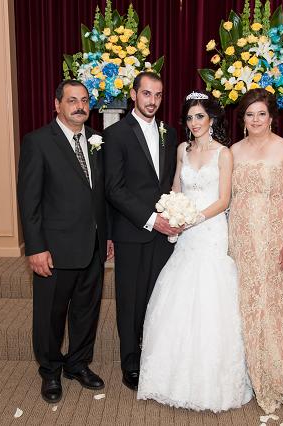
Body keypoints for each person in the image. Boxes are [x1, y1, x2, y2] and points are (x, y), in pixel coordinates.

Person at [136, 91, 252, 412]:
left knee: (210, 297)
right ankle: (171, 378)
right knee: (179, 295)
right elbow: (176, 188)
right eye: (189, 117)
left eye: (200, 116)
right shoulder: (182, 150)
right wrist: (173, 213)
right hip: (186, 233)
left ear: (211, 118)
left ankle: (212, 381)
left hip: (210, 231)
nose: (194, 123)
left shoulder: (224, 153)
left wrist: (194, 219)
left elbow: (224, 199)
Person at [17, 80, 113, 404]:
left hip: (93, 245)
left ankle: (78, 364)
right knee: (50, 316)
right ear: (56, 104)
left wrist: (107, 234)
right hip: (54, 249)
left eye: (84, 100)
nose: (79, 106)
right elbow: (29, 201)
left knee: (87, 311)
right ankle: (50, 371)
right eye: (72, 100)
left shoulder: (97, 140)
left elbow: (101, 195)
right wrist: (35, 247)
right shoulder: (38, 142)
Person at [228, 88, 283, 414]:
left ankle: (278, 375)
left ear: (271, 117)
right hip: (240, 241)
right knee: (245, 304)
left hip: (274, 241)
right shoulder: (233, 151)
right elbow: (226, 198)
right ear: (243, 119)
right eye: (250, 114)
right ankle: (249, 371)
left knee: (271, 305)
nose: (256, 120)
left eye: (262, 114)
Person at [103, 71, 179, 391]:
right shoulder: (116, 134)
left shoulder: (169, 133)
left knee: (158, 297)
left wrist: (174, 214)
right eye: (147, 94)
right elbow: (114, 188)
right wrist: (151, 219)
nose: (152, 101)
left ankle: (154, 355)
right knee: (130, 300)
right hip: (133, 230)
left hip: (164, 233)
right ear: (134, 95)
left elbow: (171, 181)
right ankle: (131, 362)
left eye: (158, 95)